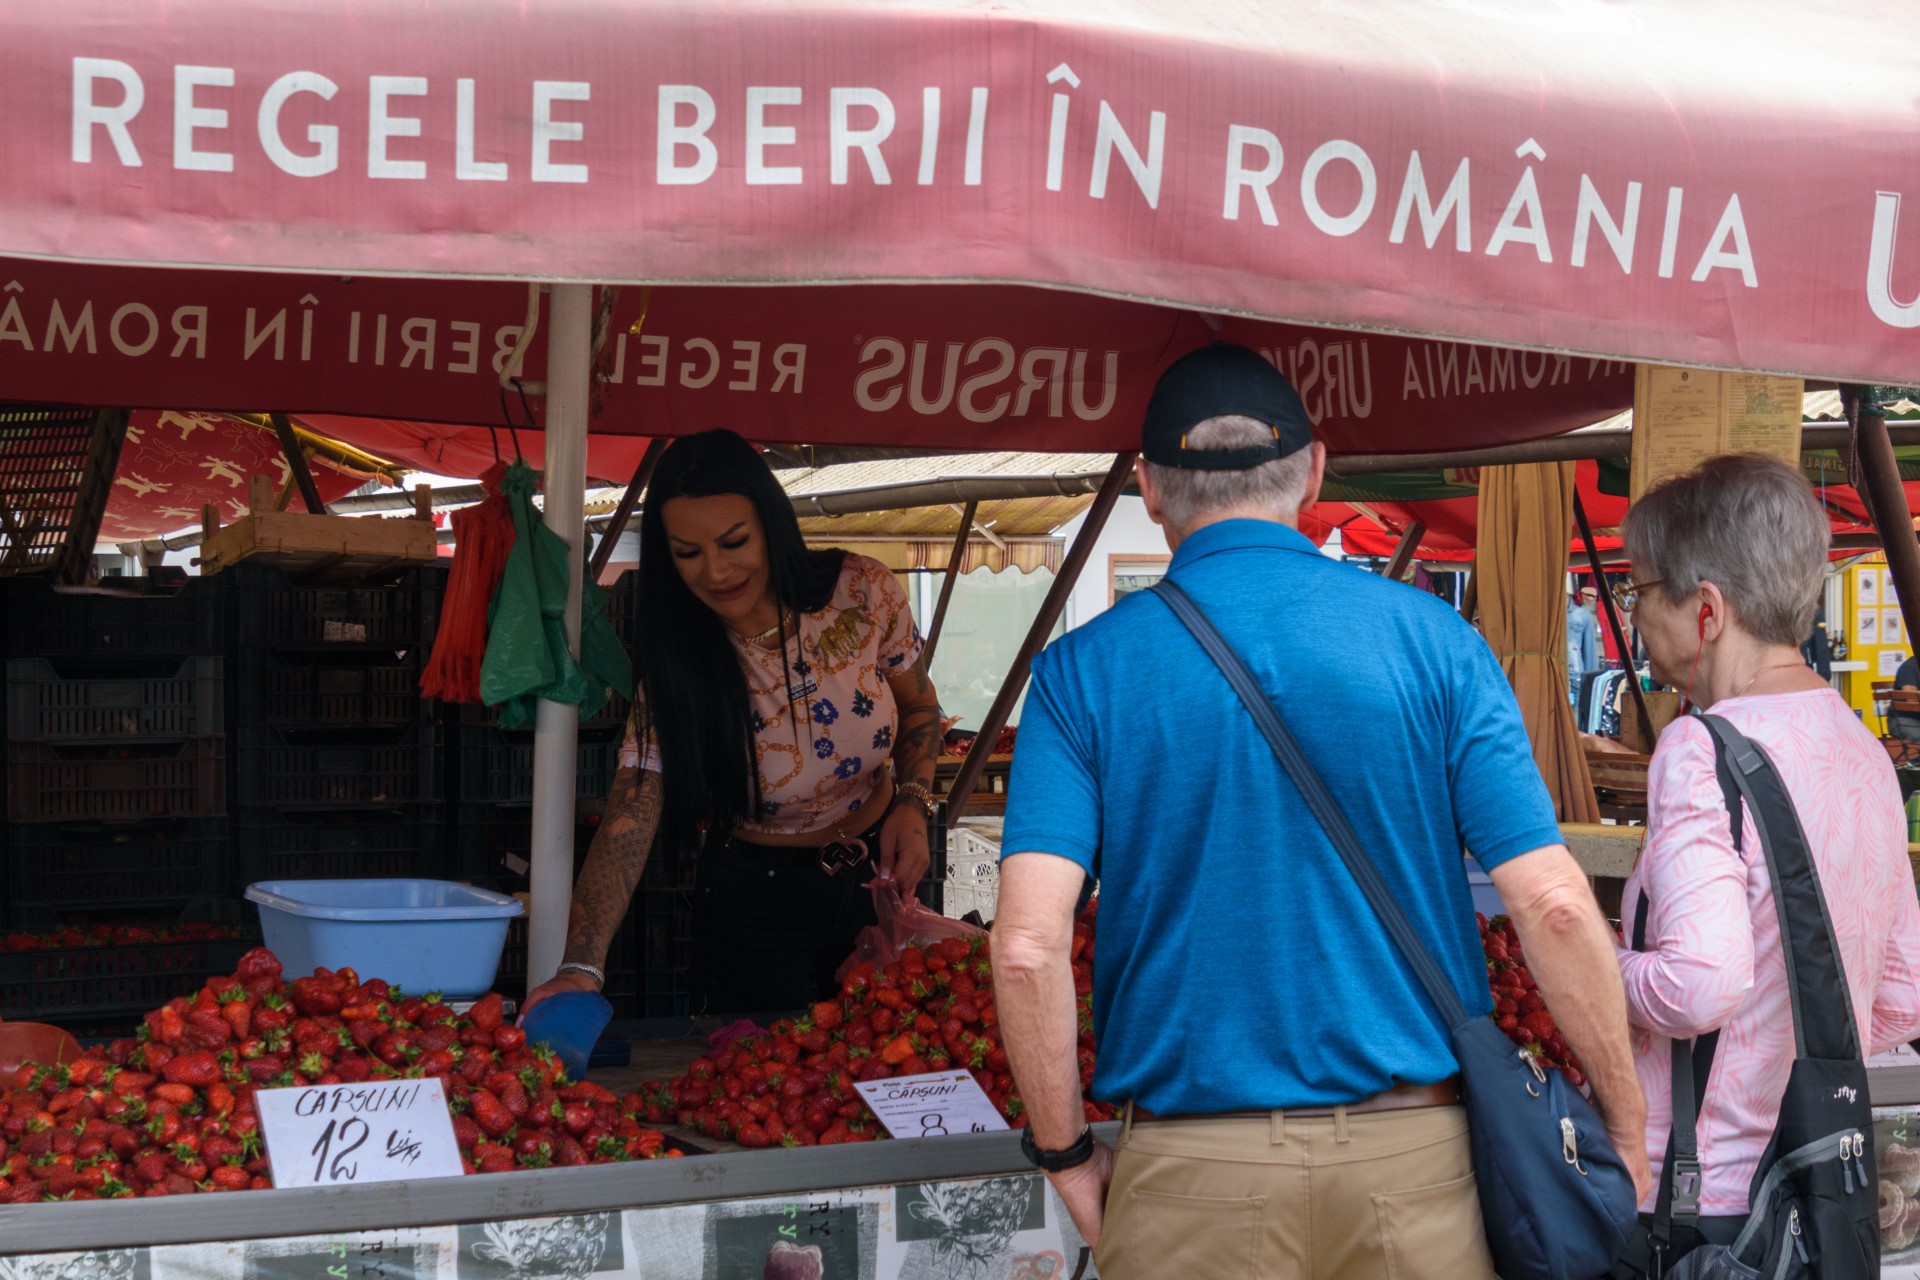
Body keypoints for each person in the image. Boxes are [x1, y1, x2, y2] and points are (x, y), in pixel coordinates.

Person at [991, 343, 1649, 1280]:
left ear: (1148, 487)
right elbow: (1553, 904)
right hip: (1416, 1174)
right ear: (1313, 472)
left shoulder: (1079, 672)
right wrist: (1624, 1118)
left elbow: (1025, 947)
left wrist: (1063, 1156)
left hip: (1188, 1182)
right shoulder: (1437, 642)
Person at [523, 429, 946, 1016]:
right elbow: (633, 810)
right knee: (760, 1065)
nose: (717, 571)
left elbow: (920, 707)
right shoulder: (676, 655)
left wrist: (913, 805)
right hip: (752, 903)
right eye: (688, 553)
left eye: (734, 541)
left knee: (892, 1053)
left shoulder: (861, 591)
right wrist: (581, 965)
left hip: (880, 875)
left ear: (772, 524)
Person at [1615, 453, 1920, 1253]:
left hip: (1699, 1201)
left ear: (1706, 609)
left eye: (1640, 589)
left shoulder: (1700, 748)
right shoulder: (1863, 748)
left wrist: (1596, 966)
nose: (1634, 614)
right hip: (1812, 1187)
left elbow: (1697, 985)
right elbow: (1901, 995)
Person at [1569, 583, 1602, 707]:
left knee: (1575, 716)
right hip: (1553, 675)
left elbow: (1589, 650)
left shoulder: (1582, 615)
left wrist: (1591, 680)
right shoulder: (1546, 613)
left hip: (1574, 675)